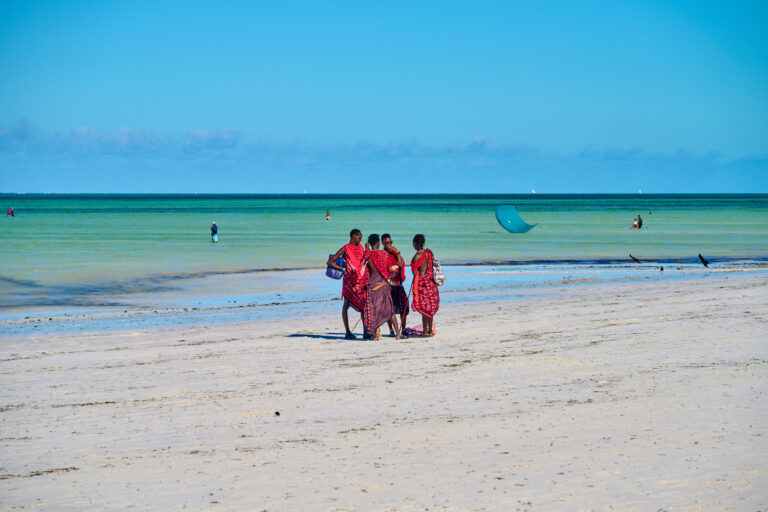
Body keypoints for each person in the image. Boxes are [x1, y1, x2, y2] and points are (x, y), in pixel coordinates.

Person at [327, 229, 367, 339]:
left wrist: (368, 249)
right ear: (353, 236)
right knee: (346, 305)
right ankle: (348, 332)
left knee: (363, 304)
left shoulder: (361, 248)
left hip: (359, 280)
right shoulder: (345, 248)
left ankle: (365, 331)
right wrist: (342, 269)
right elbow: (330, 262)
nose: (360, 238)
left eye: (361, 236)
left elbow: (364, 261)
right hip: (348, 281)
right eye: (359, 236)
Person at [363, 234, 403, 340]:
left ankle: (375, 335)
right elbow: (393, 268)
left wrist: (366, 248)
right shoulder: (384, 254)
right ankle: (398, 333)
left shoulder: (368, 254)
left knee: (374, 310)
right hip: (384, 284)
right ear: (378, 243)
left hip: (372, 284)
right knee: (390, 309)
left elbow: (367, 265)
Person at [410, 233, 439, 336]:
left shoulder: (417, 256)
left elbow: (414, 272)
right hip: (431, 282)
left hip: (422, 284)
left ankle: (425, 331)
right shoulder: (429, 253)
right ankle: (430, 330)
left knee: (424, 308)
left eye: (413, 243)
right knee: (430, 307)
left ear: (416, 243)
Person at [381, 233, 409, 336]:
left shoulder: (395, 252)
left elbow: (401, 264)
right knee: (389, 309)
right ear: (382, 243)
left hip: (398, 283)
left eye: (390, 242)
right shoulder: (382, 254)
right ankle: (391, 330)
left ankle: (403, 328)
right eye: (386, 243)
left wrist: (398, 253)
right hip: (388, 285)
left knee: (404, 306)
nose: (389, 244)